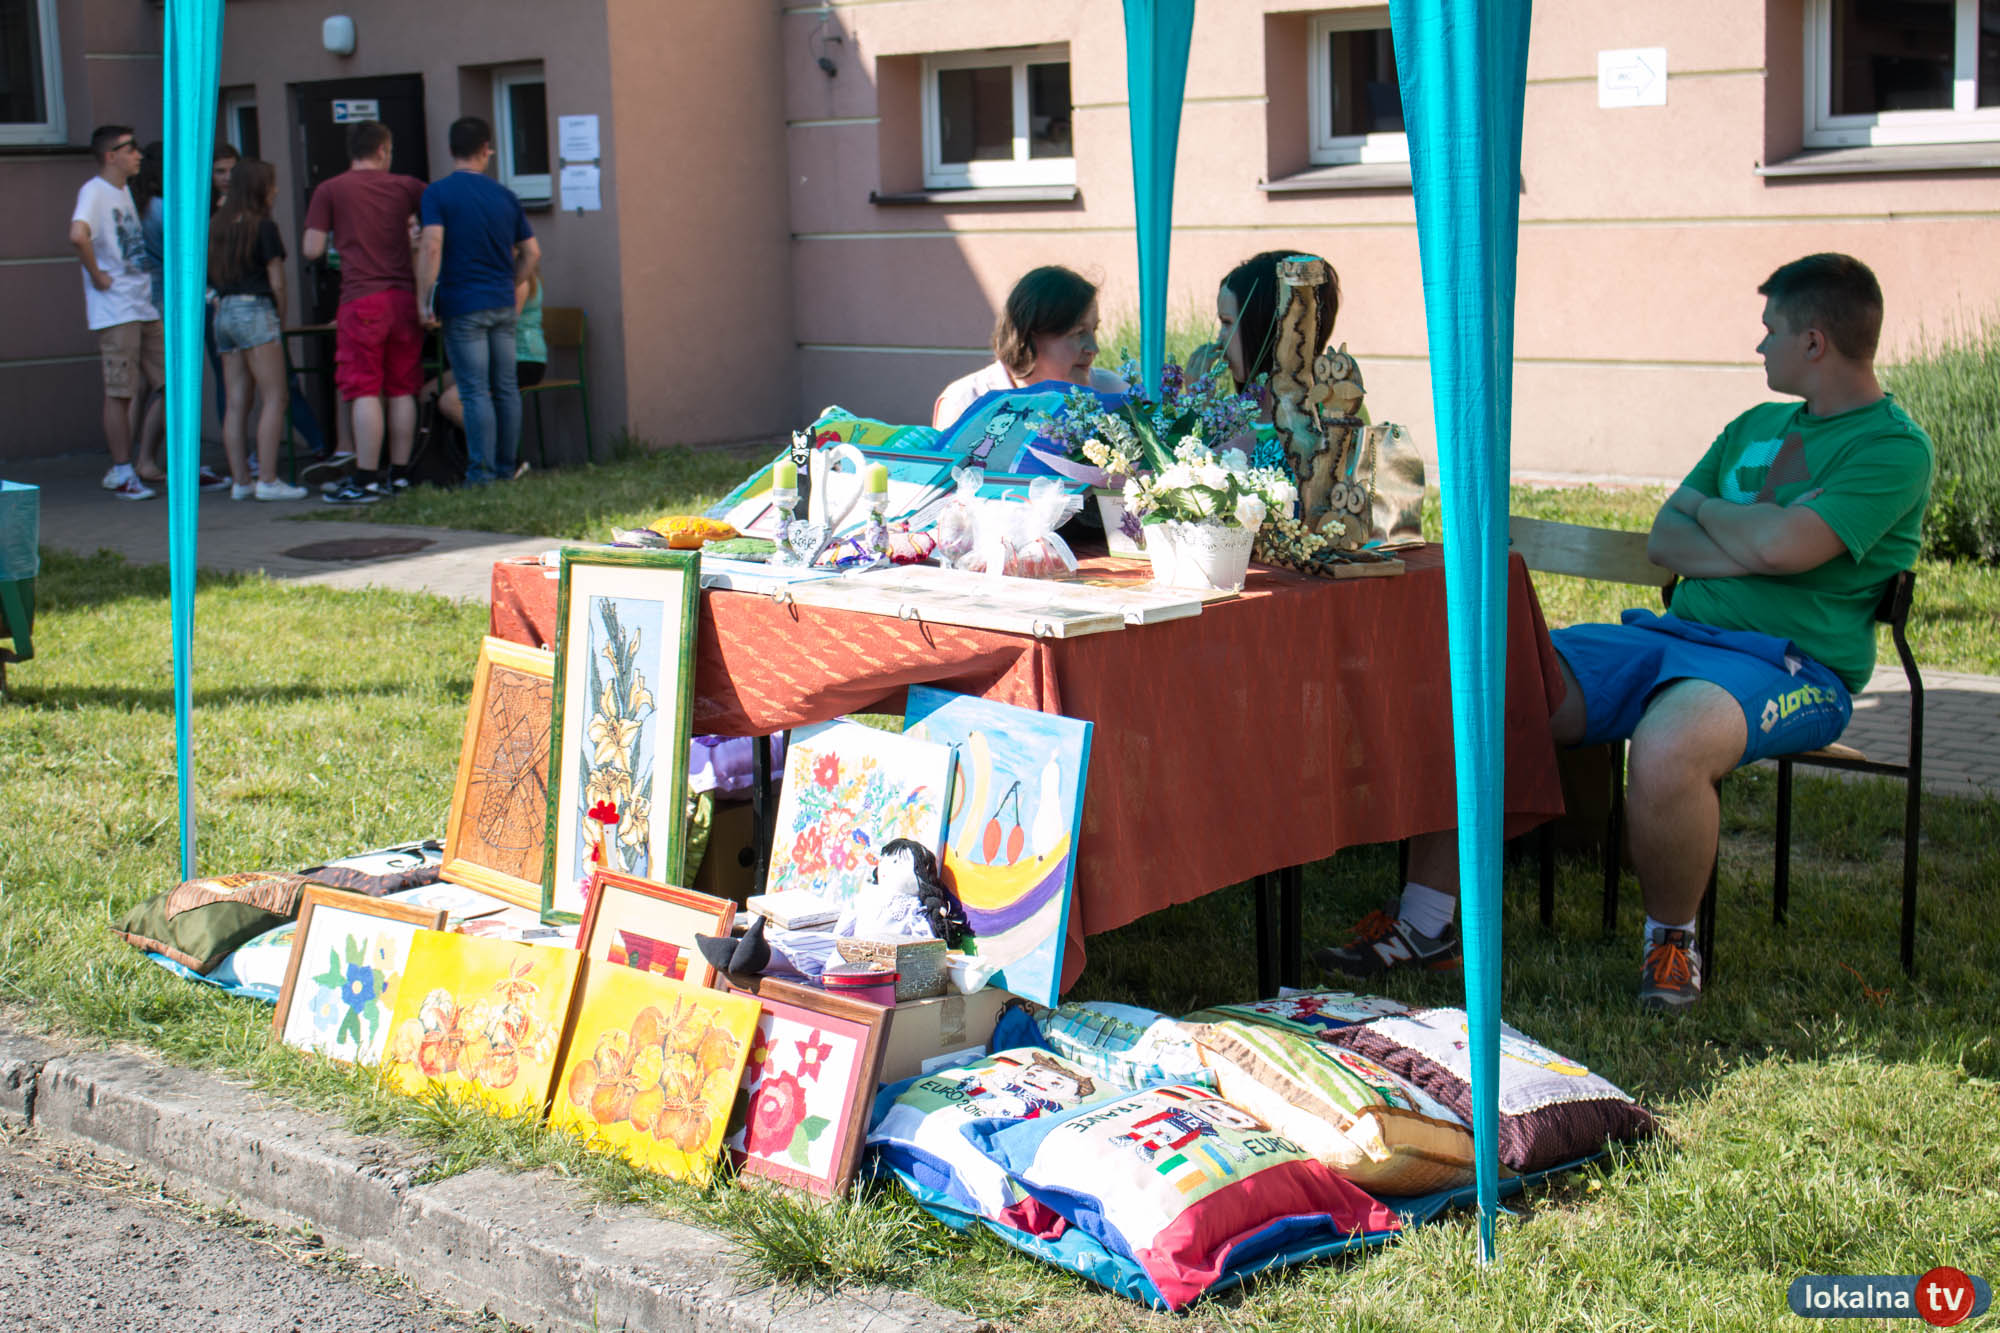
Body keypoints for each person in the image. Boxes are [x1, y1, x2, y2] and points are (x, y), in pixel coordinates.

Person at [1312, 253, 1934, 1014]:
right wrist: (1752, 536)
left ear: (1814, 342)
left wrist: (1718, 519)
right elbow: (1669, 538)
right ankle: (1425, 926)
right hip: (1674, 635)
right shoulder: (1754, 426)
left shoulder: (1892, 448)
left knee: (1668, 742)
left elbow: (1780, 547)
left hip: (1791, 666)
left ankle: (1672, 941)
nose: (1759, 344)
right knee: (1486, 683)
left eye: (1770, 330)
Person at [303, 119, 426, 505]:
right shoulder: (408, 187)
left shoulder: (330, 190)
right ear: (383, 149)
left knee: (365, 389)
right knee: (403, 387)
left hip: (361, 299)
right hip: (404, 297)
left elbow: (311, 249)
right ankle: (401, 475)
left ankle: (367, 478)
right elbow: (435, 229)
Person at [416, 116, 539, 486]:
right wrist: (510, 282)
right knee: (505, 388)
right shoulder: (505, 196)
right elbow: (532, 253)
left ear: (450, 149)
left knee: (473, 391)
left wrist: (425, 300)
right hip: (501, 303)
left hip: (462, 304)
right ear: (486, 149)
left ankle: (481, 474)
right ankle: (507, 468)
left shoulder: (438, 194)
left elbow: (432, 246)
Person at [129, 141, 229, 493]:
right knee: (173, 386)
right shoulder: (163, 210)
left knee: (150, 386)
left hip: (146, 300)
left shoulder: (139, 206)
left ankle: (134, 461)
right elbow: (187, 257)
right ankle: (162, 461)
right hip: (172, 304)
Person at [69, 125, 162, 501]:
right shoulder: (94, 191)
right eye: (130, 148)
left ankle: (150, 462)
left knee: (172, 383)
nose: (138, 155)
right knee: (120, 392)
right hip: (117, 309)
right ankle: (122, 470)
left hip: (141, 303)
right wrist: (97, 275)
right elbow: (78, 234)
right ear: (111, 156)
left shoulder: (123, 191)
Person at [208, 159, 309, 501]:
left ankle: (240, 481)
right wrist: (278, 320)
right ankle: (267, 479)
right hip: (255, 310)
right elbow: (277, 282)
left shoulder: (217, 225)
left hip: (224, 312)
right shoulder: (263, 226)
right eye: (271, 184)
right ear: (259, 188)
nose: (275, 190)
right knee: (275, 396)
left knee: (236, 401)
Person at [932, 265, 1126, 430]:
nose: (1093, 348)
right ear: (1028, 335)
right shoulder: (965, 402)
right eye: (1078, 332)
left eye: (1094, 330)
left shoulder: (1114, 393)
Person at [431, 272, 547, 478]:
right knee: (428, 392)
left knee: (450, 402)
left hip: (521, 360)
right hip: (492, 359)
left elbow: (504, 328)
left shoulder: (519, 282)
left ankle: (506, 459)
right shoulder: (499, 279)